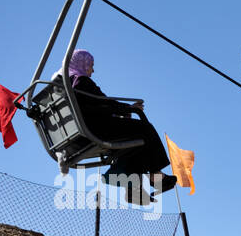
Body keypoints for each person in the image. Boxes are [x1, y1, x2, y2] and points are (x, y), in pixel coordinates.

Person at [67, 50, 175, 205]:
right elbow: (104, 103)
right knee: (145, 129)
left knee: (135, 143)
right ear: (82, 64)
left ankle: (135, 189)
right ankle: (156, 176)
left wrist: (123, 111)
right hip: (96, 129)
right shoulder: (81, 82)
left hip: (81, 132)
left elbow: (96, 106)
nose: (92, 71)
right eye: (91, 66)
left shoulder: (66, 84)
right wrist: (129, 109)